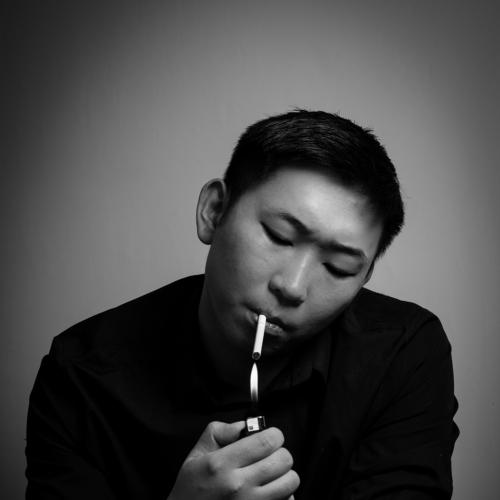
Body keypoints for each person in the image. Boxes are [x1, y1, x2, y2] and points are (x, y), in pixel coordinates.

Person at [25, 110, 459, 499]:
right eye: (279, 237)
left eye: (339, 268)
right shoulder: (81, 378)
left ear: (365, 278)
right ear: (214, 211)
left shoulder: (403, 354)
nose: (293, 287)